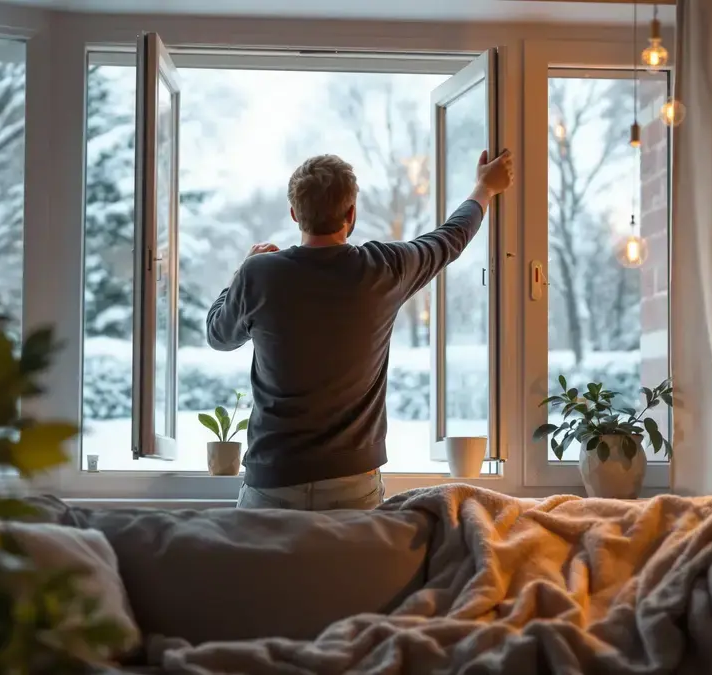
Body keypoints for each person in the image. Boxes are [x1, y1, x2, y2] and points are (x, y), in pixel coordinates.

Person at [206, 149, 514, 510]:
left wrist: (240, 273)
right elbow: (450, 238)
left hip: (271, 482)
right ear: (351, 213)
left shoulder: (260, 274)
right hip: (352, 484)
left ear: (295, 214)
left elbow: (219, 335)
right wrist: (484, 189)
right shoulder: (384, 268)